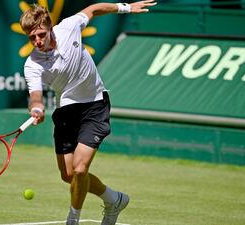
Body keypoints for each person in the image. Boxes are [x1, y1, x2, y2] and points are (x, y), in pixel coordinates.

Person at [20, 1, 157, 224]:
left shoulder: (70, 26)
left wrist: (124, 8)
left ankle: (73, 219)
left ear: (50, 27)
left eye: (41, 35)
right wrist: (36, 107)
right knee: (68, 175)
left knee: (80, 168)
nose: (37, 41)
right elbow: (35, 94)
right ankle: (114, 199)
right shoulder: (32, 64)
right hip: (66, 110)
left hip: (94, 104)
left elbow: (94, 9)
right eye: (31, 38)